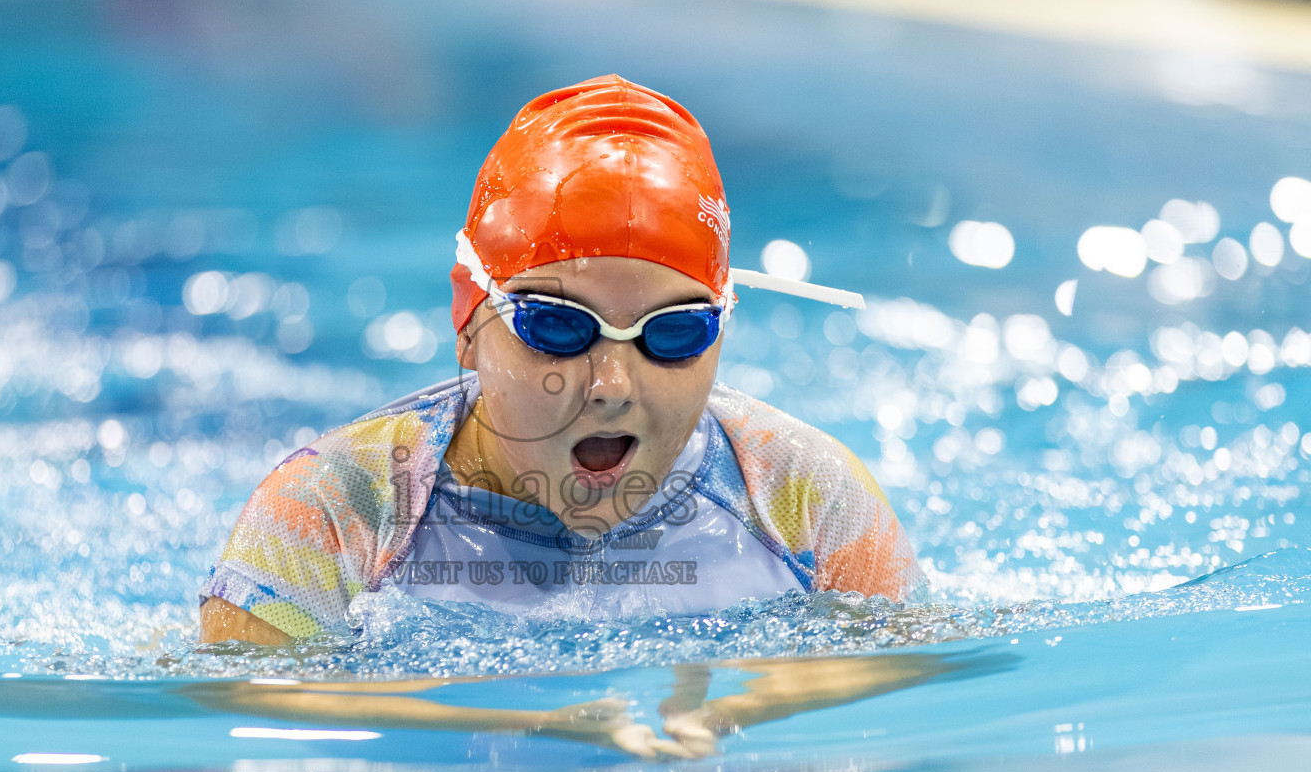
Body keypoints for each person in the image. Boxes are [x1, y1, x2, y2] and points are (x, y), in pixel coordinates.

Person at [199, 74, 924, 646]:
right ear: (468, 318)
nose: (611, 387)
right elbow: (250, 727)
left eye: (673, 333)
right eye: (556, 326)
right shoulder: (334, 511)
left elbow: (916, 695)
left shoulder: (806, 504)